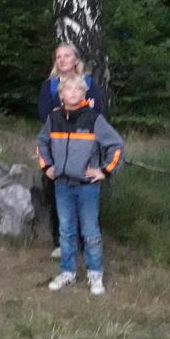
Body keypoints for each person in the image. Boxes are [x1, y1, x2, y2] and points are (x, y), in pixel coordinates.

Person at [37, 75, 124, 296]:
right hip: (62, 185)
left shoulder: (94, 119)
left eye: (78, 90)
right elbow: (42, 143)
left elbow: (116, 145)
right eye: (69, 89)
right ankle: (68, 271)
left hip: (87, 187)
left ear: (84, 94)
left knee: (90, 231)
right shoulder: (54, 118)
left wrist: (104, 171)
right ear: (61, 94)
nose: (73, 93)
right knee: (66, 231)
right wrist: (46, 166)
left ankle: (95, 274)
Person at [37, 44, 104, 260]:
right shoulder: (49, 86)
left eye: (67, 56)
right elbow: (45, 115)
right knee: (57, 193)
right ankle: (61, 240)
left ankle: (88, 240)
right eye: (58, 57)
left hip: (86, 148)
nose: (62, 60)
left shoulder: (89, 84)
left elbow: (97, 113)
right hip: (58, 148)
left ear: (76, 60)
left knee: (86, 194)